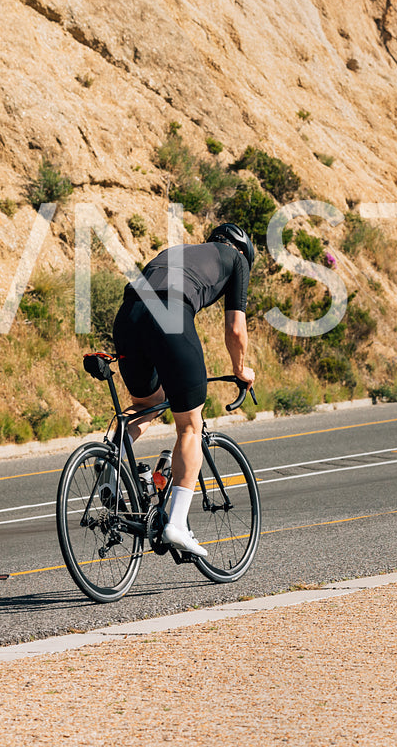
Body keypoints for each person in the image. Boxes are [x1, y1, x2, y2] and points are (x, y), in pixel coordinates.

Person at [111, 222, 256, 558]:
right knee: (190, 427)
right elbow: (235, 329)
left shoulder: (178, 252)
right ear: (242, 249)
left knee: (149, 402)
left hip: (128, 316)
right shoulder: (236, 261)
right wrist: (240, 370)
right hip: (171, 316)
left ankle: (109, 471)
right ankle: (176, 523)